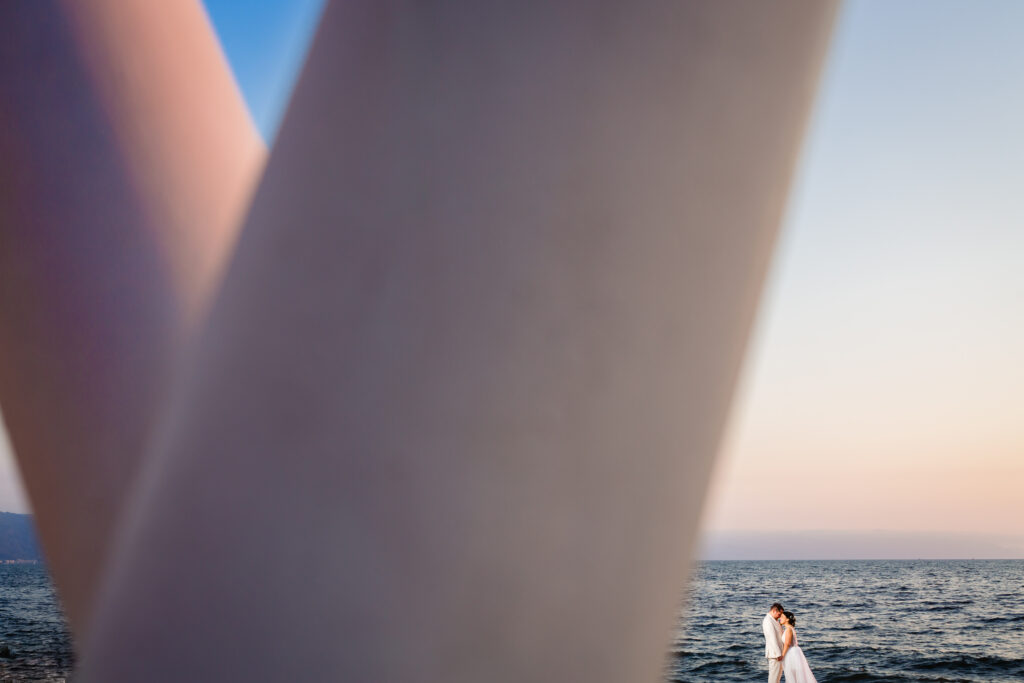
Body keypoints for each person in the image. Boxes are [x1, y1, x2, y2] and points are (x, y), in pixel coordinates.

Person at [780, 610, 818, 683]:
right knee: (795, 674)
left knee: (791, 674)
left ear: (787, 619)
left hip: (791, 653)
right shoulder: (789, 628)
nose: (780, 618)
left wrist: (782, 656)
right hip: (793, 652)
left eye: (782, 617)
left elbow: (787, 644)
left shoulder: (788, 629)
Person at [763, 602, 786, 683]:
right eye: (779, 614)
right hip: (775, 654)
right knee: (774, 678)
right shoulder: (768, 621)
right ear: (774, 611)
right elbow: (771, 638)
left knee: (777, 678)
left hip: (779, 653)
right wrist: (778, 654)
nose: (780, 616)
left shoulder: (774, 620)